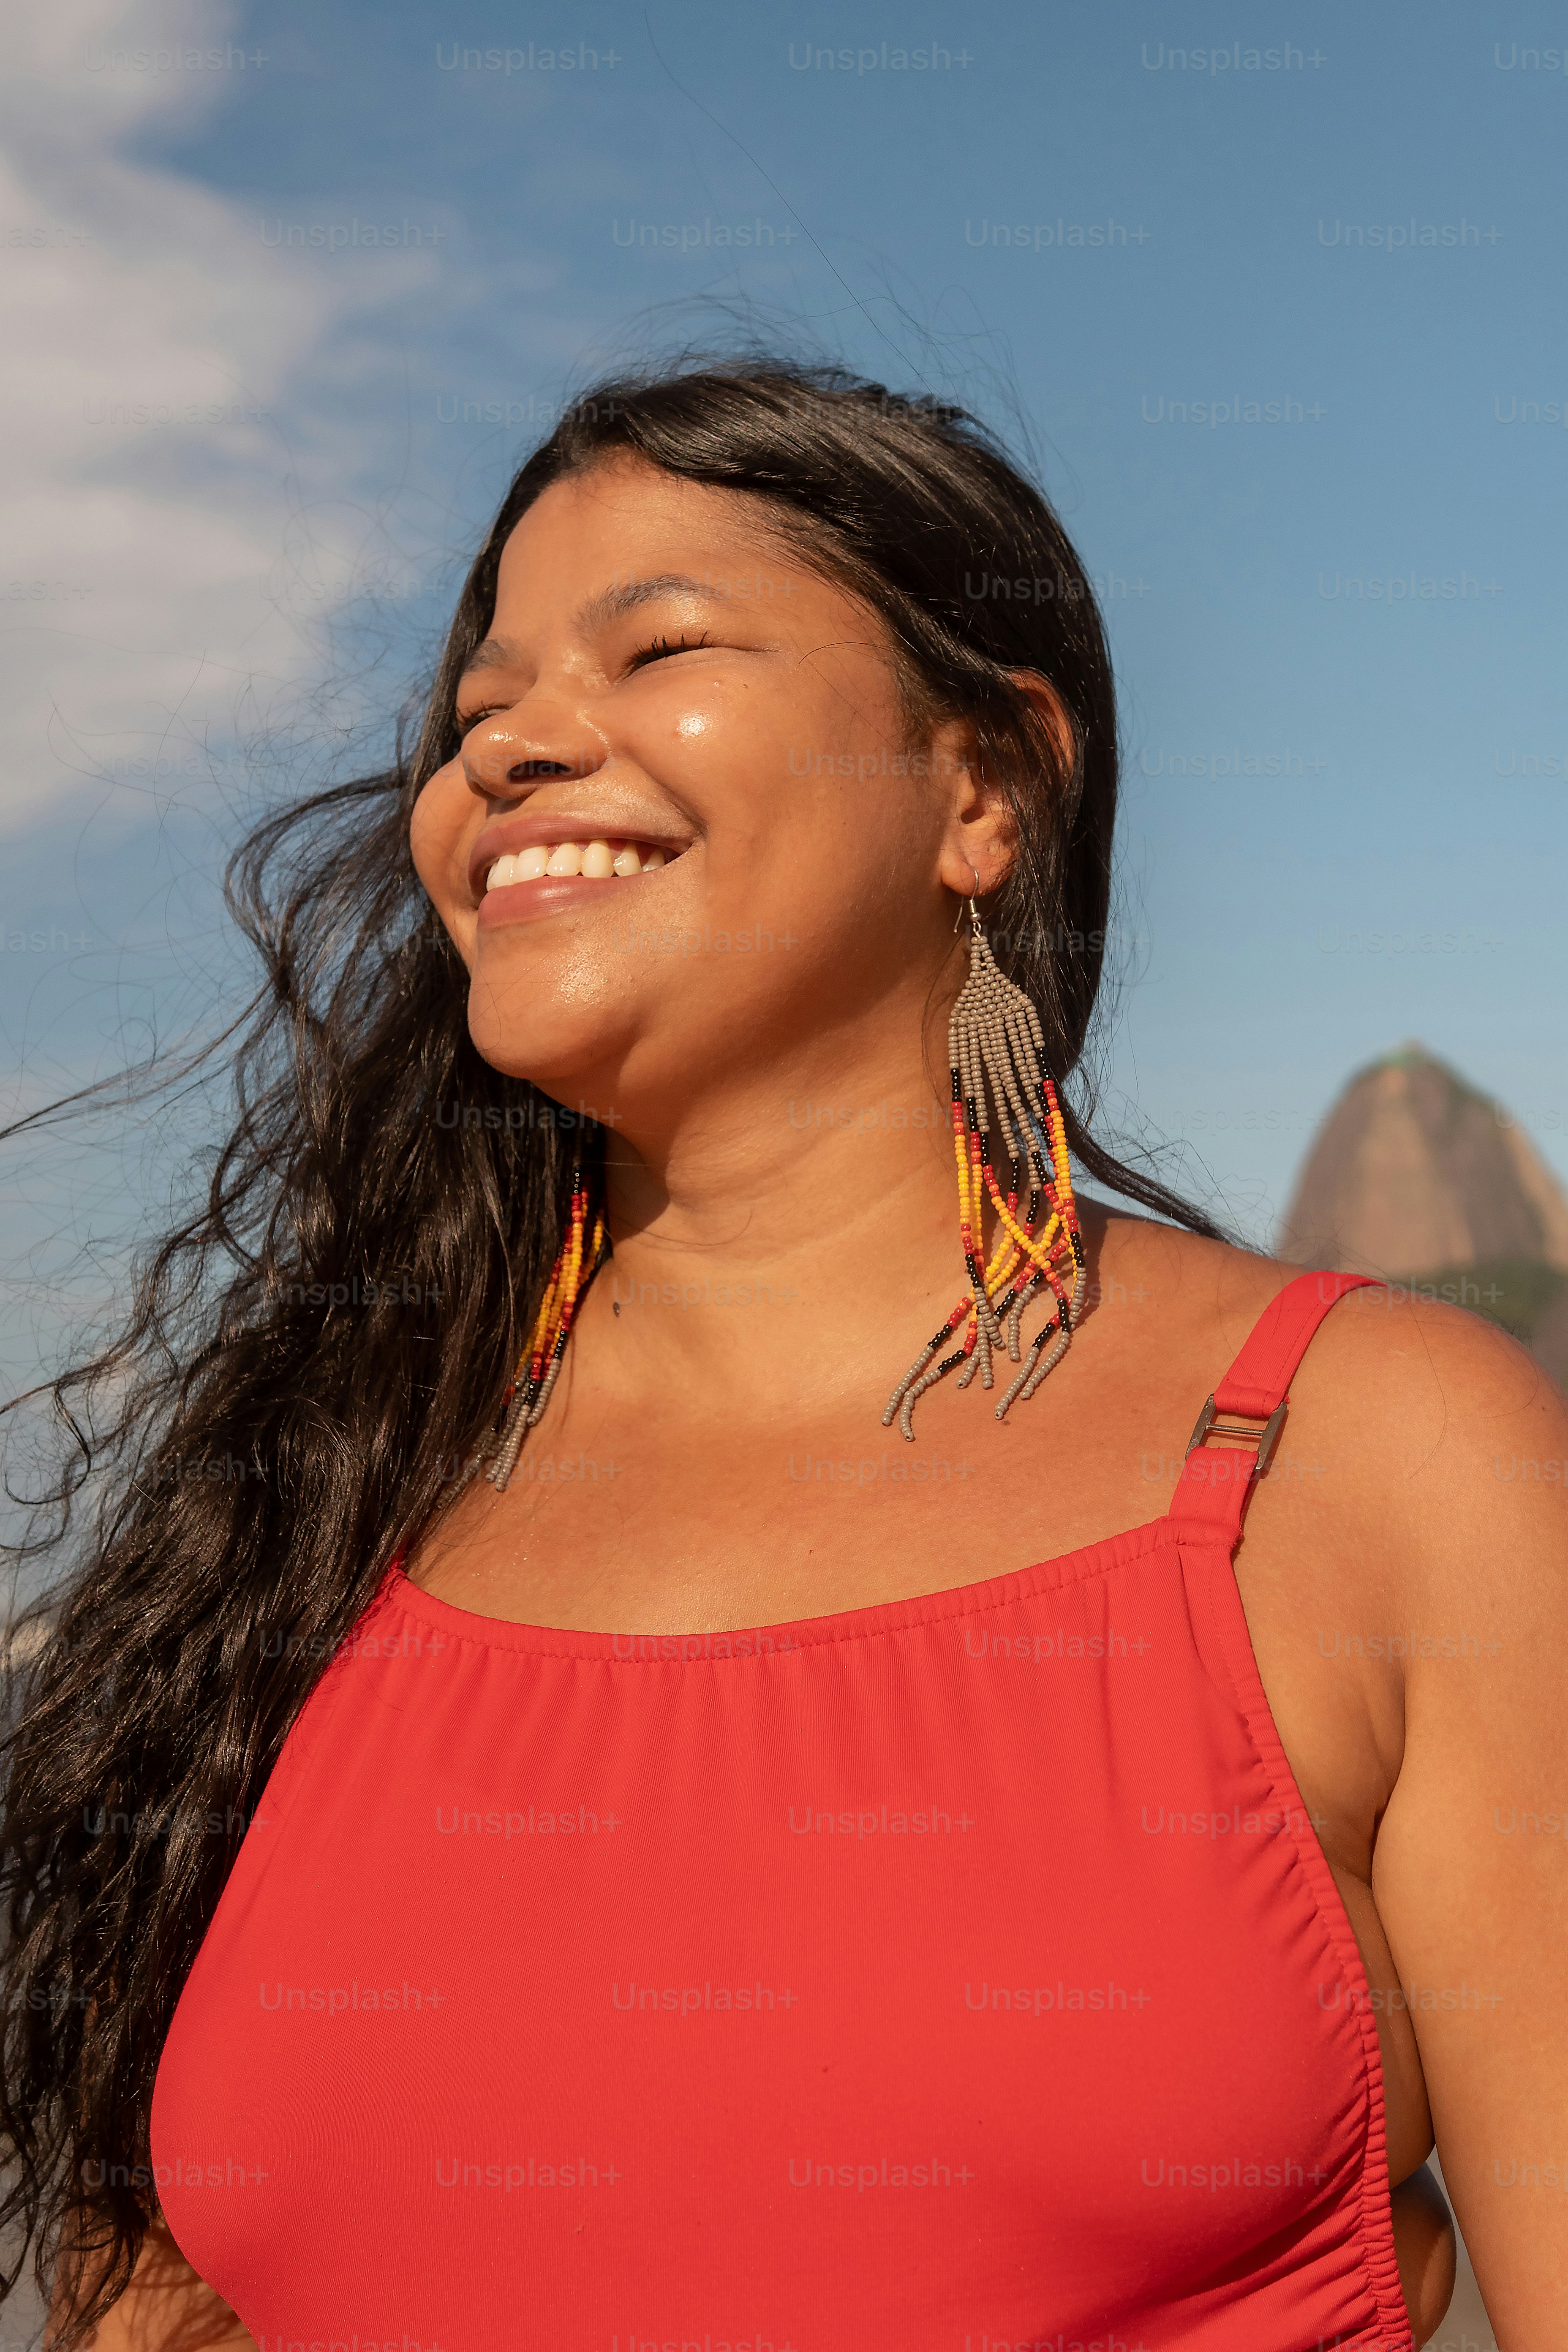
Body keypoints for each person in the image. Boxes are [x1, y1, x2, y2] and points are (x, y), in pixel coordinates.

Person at [5, 361, 1563, 2351]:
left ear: (982, 787)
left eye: (657, 647)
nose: (512, 745)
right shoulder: (315, 1506)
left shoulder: (1370, 1465)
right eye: (478, 708)